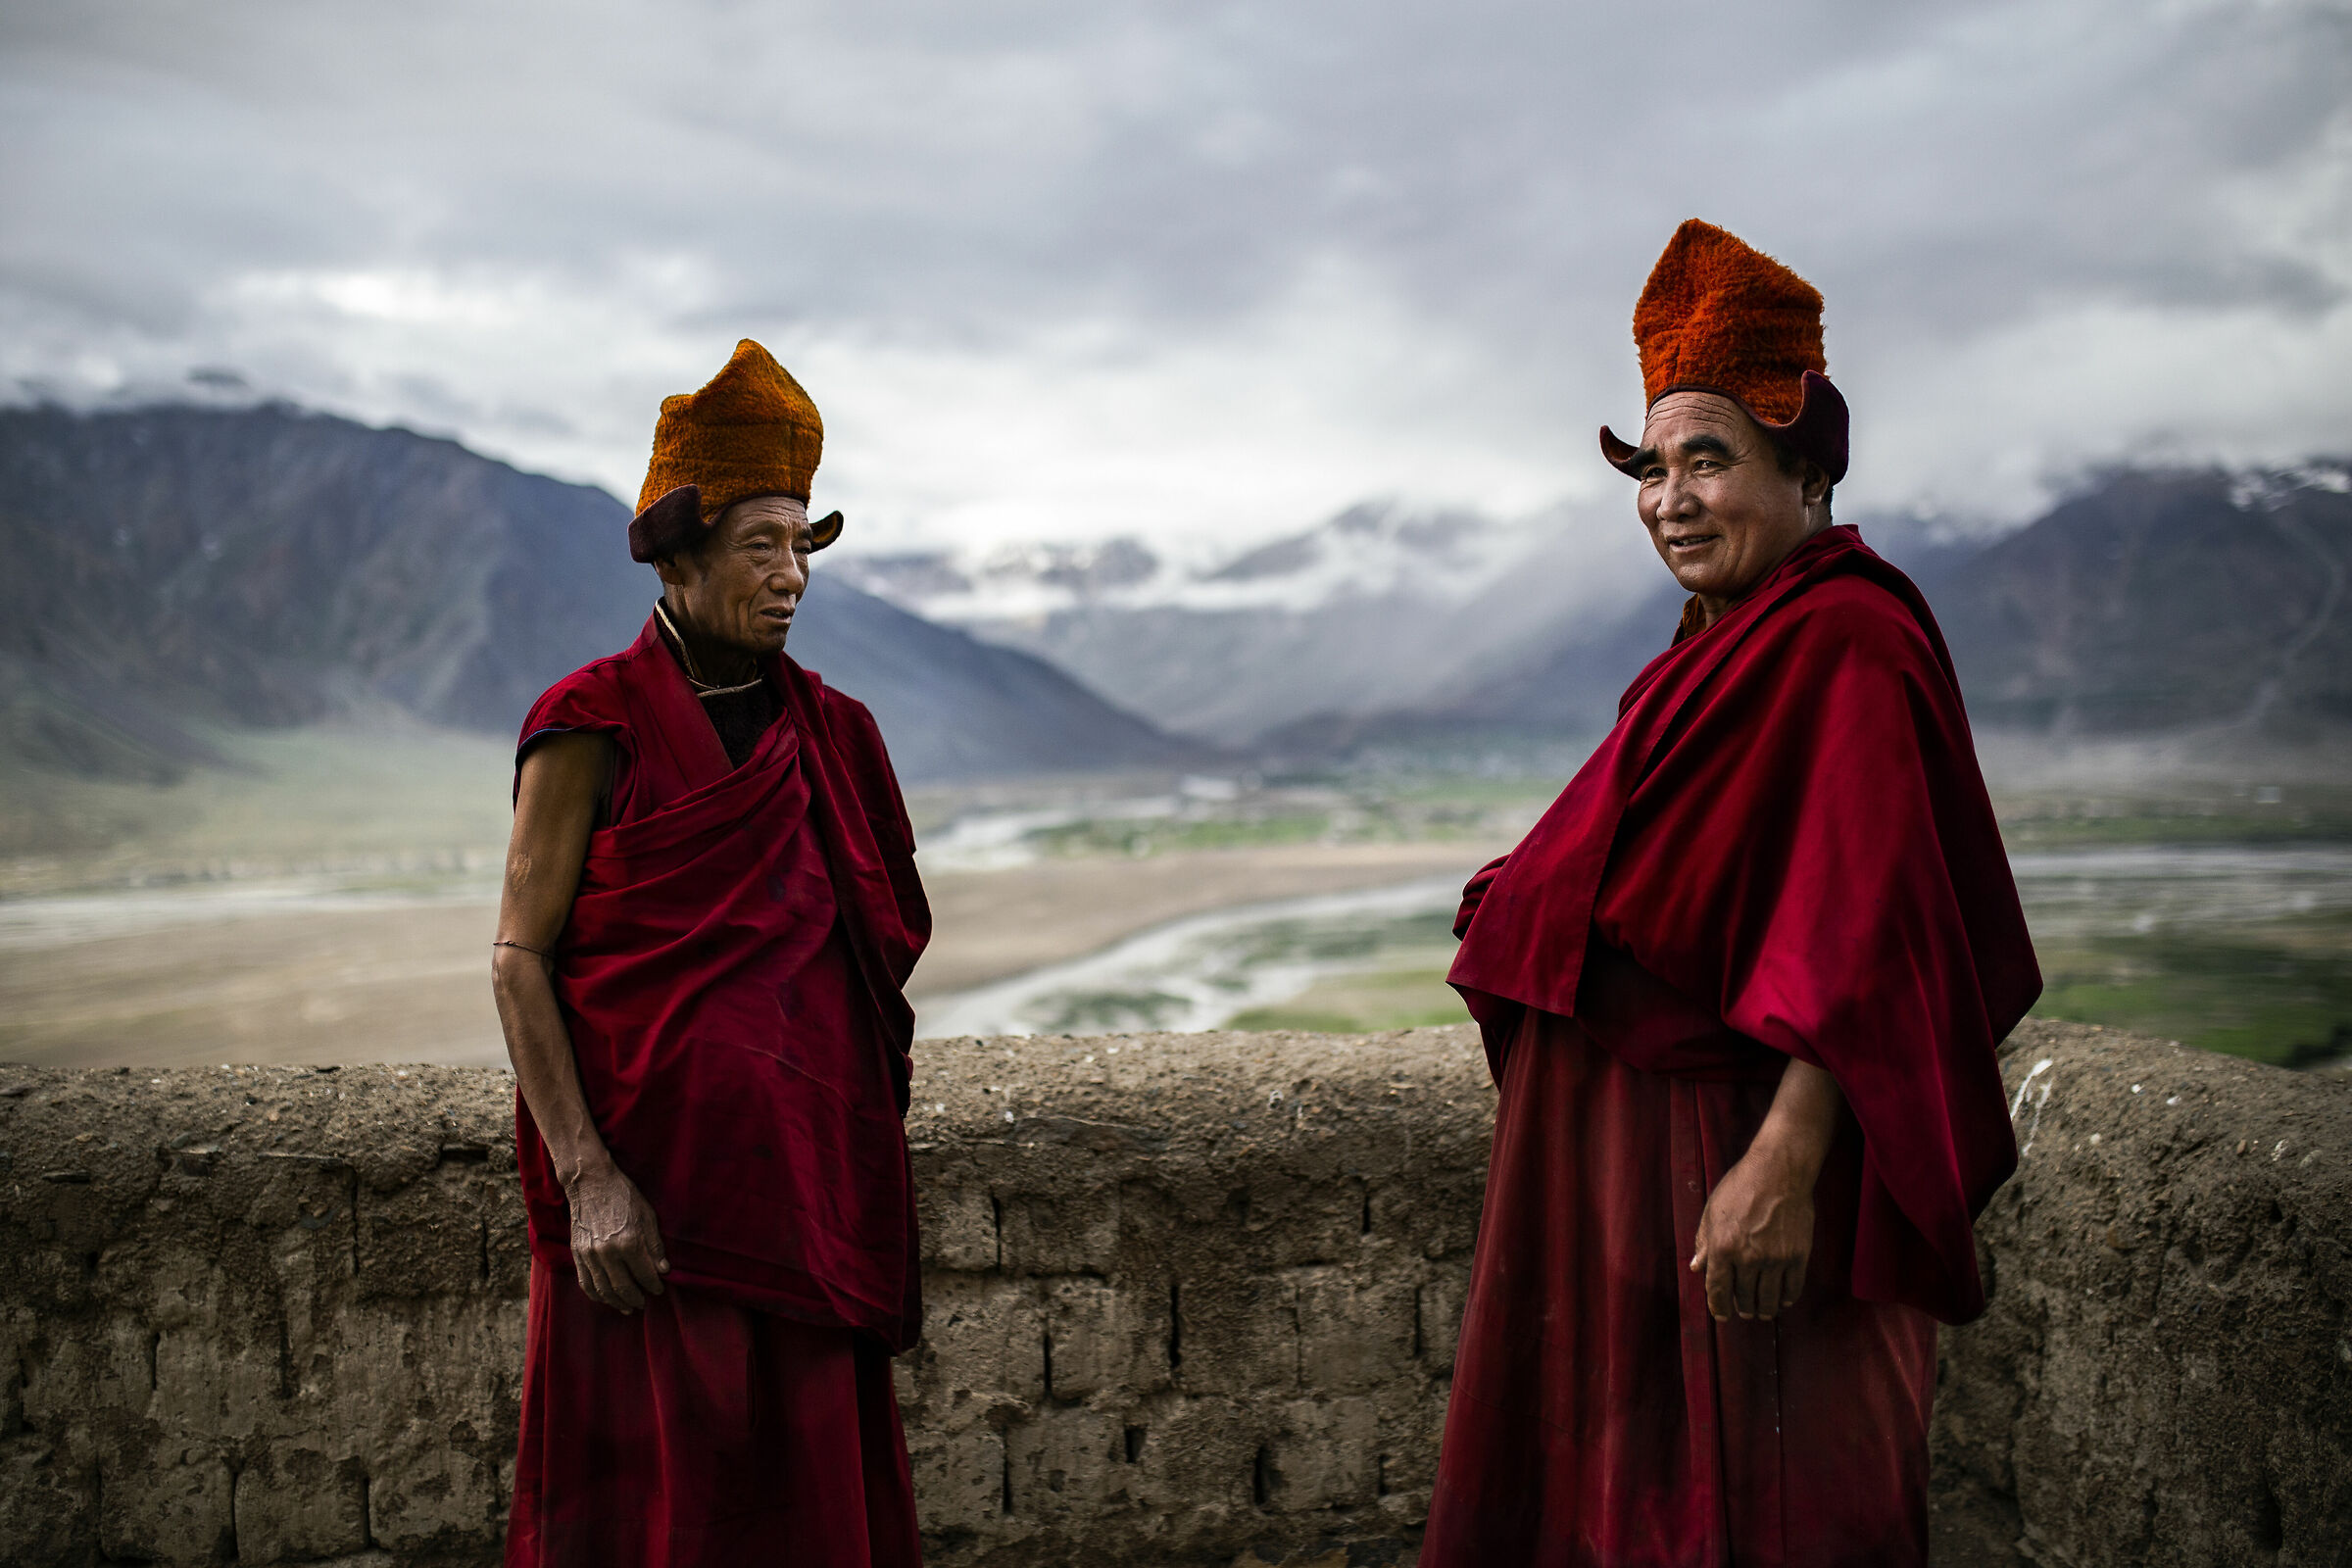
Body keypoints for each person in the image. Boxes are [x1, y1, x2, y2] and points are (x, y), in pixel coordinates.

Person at [1421, 220, 2040, 1567]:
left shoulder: (1850, 641)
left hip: (1738, 1171)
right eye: (1653, 466)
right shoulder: (1716, 646)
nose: (1669, 497)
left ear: (1807, 472)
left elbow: (1877, 928)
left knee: (1773, 1507)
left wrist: (1783, 1162)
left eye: (1711, 460)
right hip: (1627, 1180)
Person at [492, 340, 931, 1568]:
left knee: (805, 1514)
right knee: (653, 1521)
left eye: (804, 546)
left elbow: (866, 967)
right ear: (680, 555)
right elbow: (520, 958)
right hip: (647, 1221)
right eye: (762, 545)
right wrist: (589, 1180)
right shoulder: (589, 726)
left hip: (801, 1199)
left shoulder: (834, 735)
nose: (793, 575)